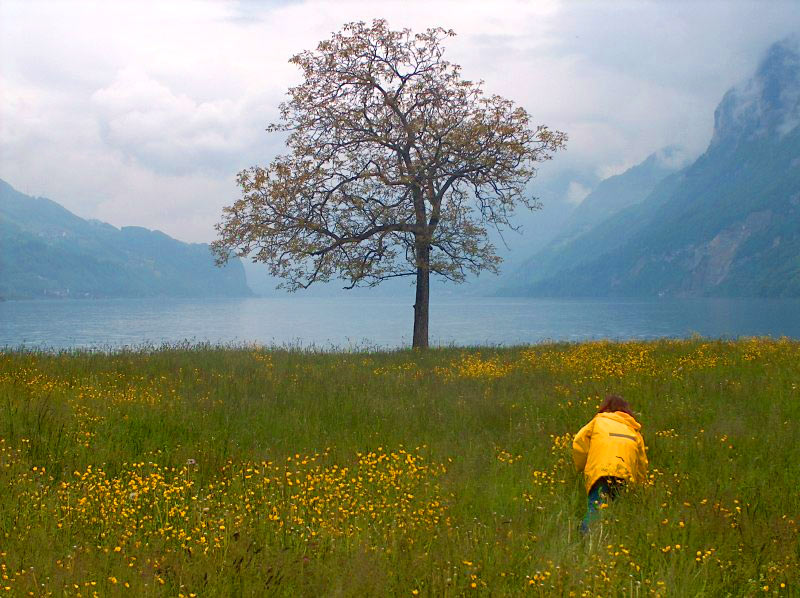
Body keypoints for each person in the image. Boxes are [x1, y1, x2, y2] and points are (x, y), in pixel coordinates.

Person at [572, 394, 648, 534]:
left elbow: (578, 442)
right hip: (624, 473)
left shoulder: (598, 421)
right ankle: (605, 535)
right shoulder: (633, 429)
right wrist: (640, 484)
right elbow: (641, 461)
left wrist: (579, 466)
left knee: (595, 506)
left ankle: (584, 534)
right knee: (614, 508)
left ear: (606, 408)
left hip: (600, 471)